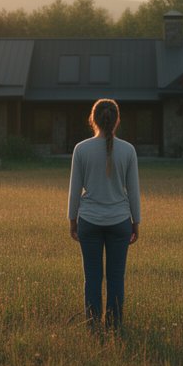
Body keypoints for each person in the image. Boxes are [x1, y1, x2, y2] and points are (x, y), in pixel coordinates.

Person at [68, 98, 141, 332]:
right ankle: (114, 326)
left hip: (88, 221)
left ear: (93, 119)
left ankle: (92, 327)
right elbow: (133, 191)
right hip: (120, 222)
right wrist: (136, 222)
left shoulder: (81, 149)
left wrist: (72, 220)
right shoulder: (128, 150)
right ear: (117, 120)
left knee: (92, 278)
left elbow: (74, 189)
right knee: (116, 279)